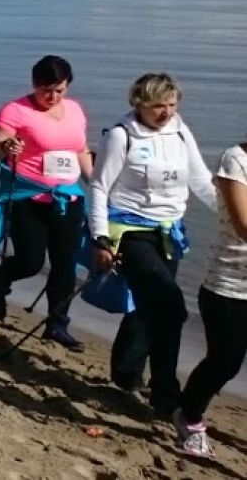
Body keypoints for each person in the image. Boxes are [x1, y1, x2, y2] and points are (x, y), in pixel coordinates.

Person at [89, 72, 216, 419]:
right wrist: (100, 238)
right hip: (130, 231)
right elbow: (99, 187)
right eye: (158, 105)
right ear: (139, 103)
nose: (166, 112)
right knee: (171, 306)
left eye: (172, 104)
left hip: (169, 231)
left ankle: (128, 371)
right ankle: (165, 391)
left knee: (151, 305)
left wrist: (233, 215)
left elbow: (200, 179)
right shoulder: (121, 136)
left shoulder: (178, 129)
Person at [0, 55, 92, 351]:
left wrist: (98, 181)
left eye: (59, 90)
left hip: (68, 197)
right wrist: (5, 146)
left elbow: (80, 149)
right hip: (28, 196)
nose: (52, 97)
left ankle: (57, 325)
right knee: (31, 262)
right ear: (34, 84)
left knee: (65, 264)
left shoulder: (76, 110)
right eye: (46, 89)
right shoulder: (16, 110)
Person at [175, 138, 247, 458]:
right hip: (230, 285)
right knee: (225, 362)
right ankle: (189, 417)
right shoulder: (235, 160)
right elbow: (243, 225)